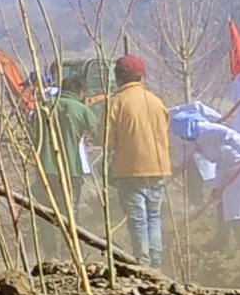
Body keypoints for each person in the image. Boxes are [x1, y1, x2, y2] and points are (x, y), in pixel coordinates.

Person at [100, 56, 172, 266]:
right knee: (154, 216)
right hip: (159, 168)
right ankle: (156, 261)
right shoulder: (156, 101)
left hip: (130, 169)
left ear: (118, 76)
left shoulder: (116, 103)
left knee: (138, 219)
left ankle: (143, 261)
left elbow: (106, 141)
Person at [26, 83, 98, 264]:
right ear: (80, 91)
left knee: (46, 212)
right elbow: (97, 132)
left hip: (45, 169)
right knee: (70, 212)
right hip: (71, 170)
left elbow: (31, 133)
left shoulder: (42, 108)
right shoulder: (81, 109)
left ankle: (50, 253)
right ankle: (71, 252)